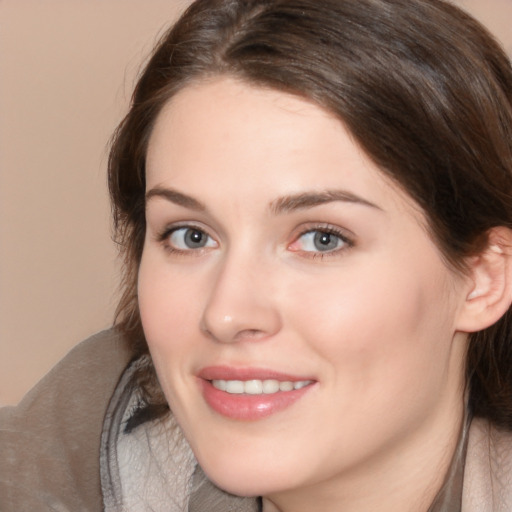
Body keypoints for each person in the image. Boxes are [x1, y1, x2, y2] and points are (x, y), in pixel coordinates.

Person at [1, 0, 512, 510]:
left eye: (321, 239)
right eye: (190, 236)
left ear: (484, 277)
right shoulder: (77, 435)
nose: (226, 313)